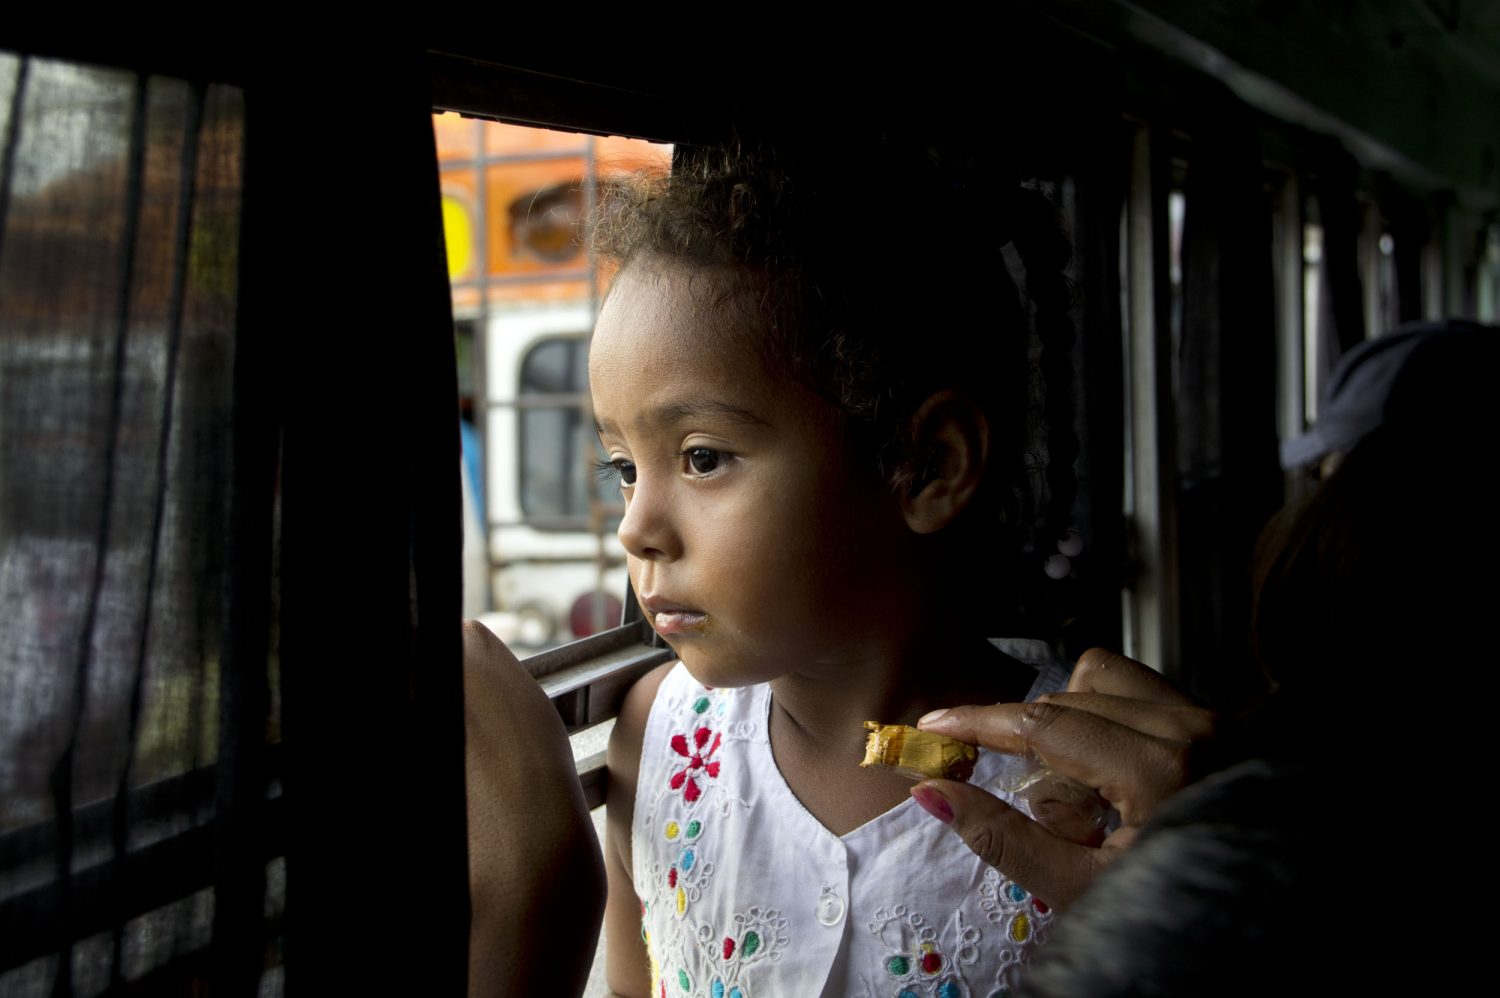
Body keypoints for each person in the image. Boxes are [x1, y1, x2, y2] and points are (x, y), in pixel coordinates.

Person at [591, 141, 1087, 998]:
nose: (638, 528)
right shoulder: (660, 741)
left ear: (926, 466)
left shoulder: (1085, 796)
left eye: (703, 458)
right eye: (625, 468)